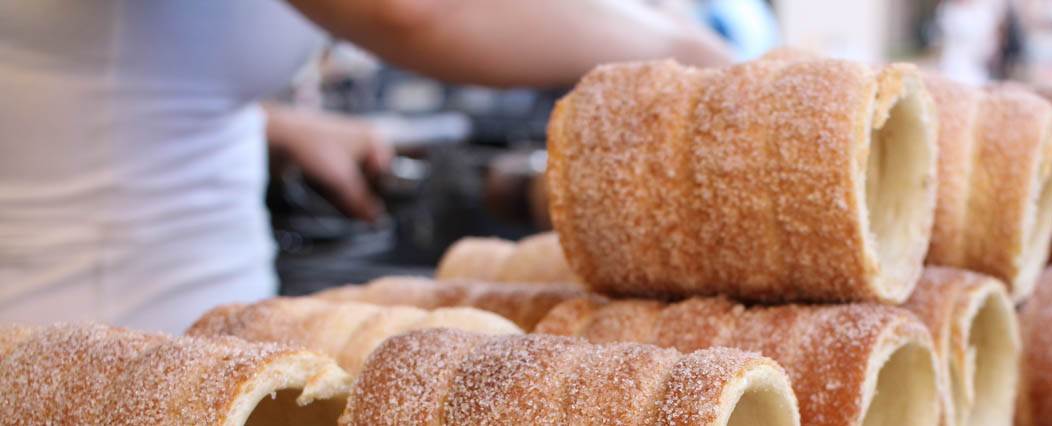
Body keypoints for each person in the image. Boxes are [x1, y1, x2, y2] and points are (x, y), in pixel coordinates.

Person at [0, 0, 732, 333]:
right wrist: (692, 50)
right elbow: (412, 12)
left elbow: (88, 64)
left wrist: (271, 125)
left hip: (197, 326)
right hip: (94, 348)